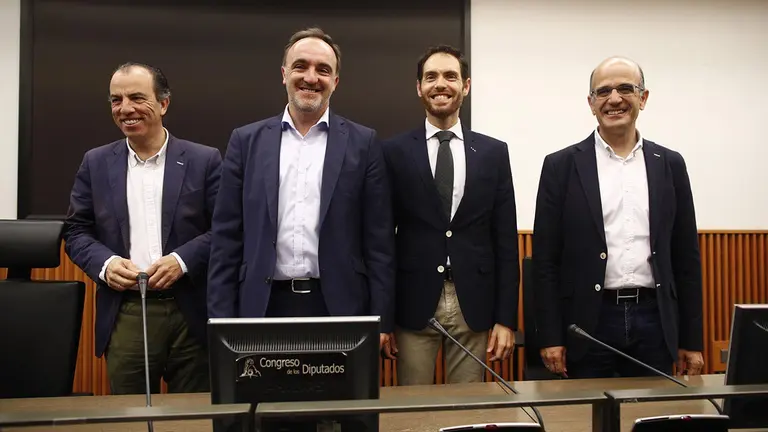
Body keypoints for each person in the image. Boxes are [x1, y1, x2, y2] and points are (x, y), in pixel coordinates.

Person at [207, 28, 395, 350]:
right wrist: (220, 320)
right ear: (284, 74)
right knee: (265, 401)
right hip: (261, 308)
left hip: (338, 309)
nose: (311, 77)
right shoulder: (246, 141)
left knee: (336, 402)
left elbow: (378, 242)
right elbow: (226, 238)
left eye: (323, 69)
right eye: (301, 66)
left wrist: (380, 320)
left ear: (336, 81)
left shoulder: (364, 144)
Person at [532, 56, 704, 378]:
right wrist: (551, 336)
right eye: (604, 91)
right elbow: (545, 261)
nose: (614, 99)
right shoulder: (560, 167)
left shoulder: (670, 164)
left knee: (652, 419)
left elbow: (686, 258)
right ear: (591, 102)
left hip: (654, 318)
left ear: (643, 97)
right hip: (587, 322)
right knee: (588, 420)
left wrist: (691, 340)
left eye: (626, 88)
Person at [64, 62, 222, 394]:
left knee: (193, 420)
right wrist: (105, 265)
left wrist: (182, 260)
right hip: (127, 311)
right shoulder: (95, 163)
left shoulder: (204, 160)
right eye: (115, 100)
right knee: (129, 419)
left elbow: (226, 229)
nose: (125, 109)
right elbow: (76, 231)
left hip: (191, 310)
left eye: (137, 97)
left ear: (163, 103)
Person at [381, 45, 519, 384]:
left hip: (474, 303)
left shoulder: (493, 152)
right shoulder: (393, 152)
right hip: (413, 305)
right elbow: (381, 241)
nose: (440, 84)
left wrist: (506, 319)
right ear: (419, 88)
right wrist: (383, 320)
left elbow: (505, 241)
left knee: (467, 410)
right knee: (414, 412)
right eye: (431, 77)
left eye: (450, 76)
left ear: (466, 86)